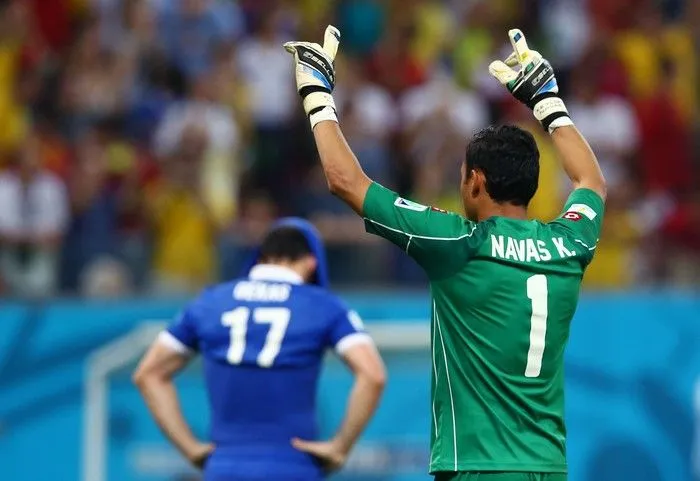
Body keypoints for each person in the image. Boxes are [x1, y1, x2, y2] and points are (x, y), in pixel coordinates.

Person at [283, 27, 606, 481]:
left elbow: (345, 181)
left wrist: (317, 95)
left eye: (462, 175)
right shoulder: (570, 244)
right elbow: (591, 182)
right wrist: (549, 103)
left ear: (476, 181)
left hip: (478, 467)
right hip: (548, 467)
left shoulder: (458, 244)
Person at [133, 218, 386, 481]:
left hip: (225, 466)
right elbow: (372, 374)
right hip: (292, 465)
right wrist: (340, 446)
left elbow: (149, 374)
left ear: (261, 258)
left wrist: (190, 448)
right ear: (312, 263)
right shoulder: (323, 306)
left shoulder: (209, 302)